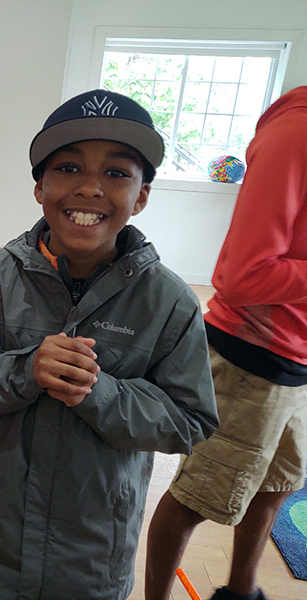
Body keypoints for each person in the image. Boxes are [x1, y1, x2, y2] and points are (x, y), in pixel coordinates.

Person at [0, 89, 219, 600]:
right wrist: (24, 370)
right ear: (39, 187)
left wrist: (99, 392)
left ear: (142, 194)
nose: (89, 189)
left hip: (93, 562)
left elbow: (190, 421)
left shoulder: (169, 302)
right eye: (67, 168)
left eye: (116, 173)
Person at [145, 86, 307, 600]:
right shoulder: (297, 133)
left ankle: (241, 592)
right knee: (193, 498)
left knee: (276, 486)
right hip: (254, 358)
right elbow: (243, 275)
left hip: (298, 358)